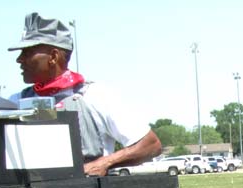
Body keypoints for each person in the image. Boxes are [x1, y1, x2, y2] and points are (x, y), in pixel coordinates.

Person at [8, 13, 161, 176]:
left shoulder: (94, 95)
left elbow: (151, 145)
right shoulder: (15, 102)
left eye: (27, 52)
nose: (19, 59)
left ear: (53, 56)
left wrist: (104, 163)